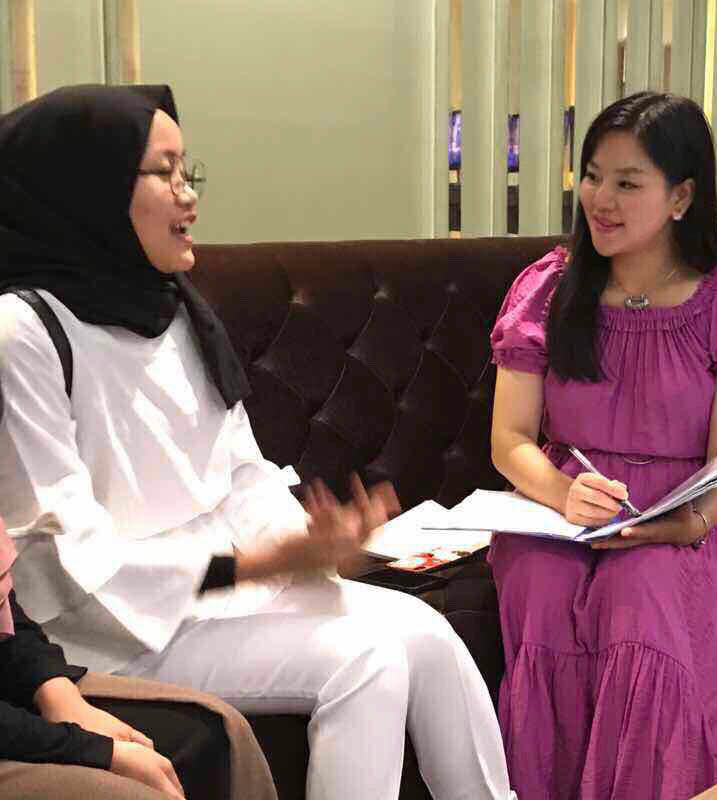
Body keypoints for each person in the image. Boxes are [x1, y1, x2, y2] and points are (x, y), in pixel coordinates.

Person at [0, 84, 513, 800]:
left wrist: (309, 543)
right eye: (164, 173)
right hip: (113, 630)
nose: (188, 195)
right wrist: (260, 563)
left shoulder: (173, 308)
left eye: (188, 171)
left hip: (215, 599)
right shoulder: (23, 331)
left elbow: (239, 472)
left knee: (427, 635)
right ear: (91, 189)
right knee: (364, 658)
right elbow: (67, 562)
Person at [488, 91, 717, 799]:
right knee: (542, 588)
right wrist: (563, 493)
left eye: (628, 183)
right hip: (563, 505)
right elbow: (509, 440)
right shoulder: (548, 289)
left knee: (642, 597)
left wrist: (689, 523)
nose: (601, 199)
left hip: (687, 513)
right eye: (594, 175)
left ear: (681, 196)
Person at [0, 516, 278, 800]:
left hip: (20, 673)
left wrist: (60, 696)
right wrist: (96, 751)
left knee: (218, 732)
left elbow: (8, 605)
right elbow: (99, 562)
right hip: (112, 630)